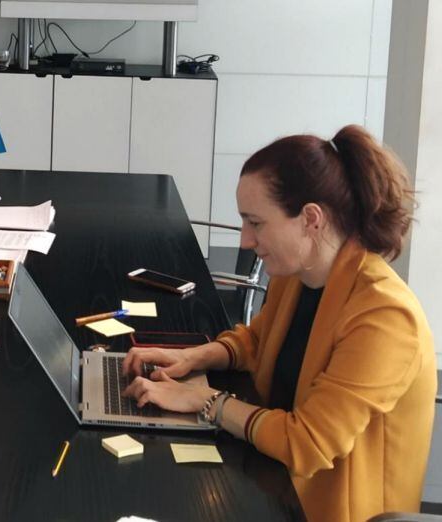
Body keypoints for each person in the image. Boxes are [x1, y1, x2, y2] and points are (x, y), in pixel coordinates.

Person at [121, 125, 436, 522]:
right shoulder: (299, 273)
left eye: (256, 223)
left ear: (311, 219)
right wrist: (191, 357)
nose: (245, 242)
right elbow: (259, 340)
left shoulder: (386, 318)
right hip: (273, 482)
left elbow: (308, 443)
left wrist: (207, 402)